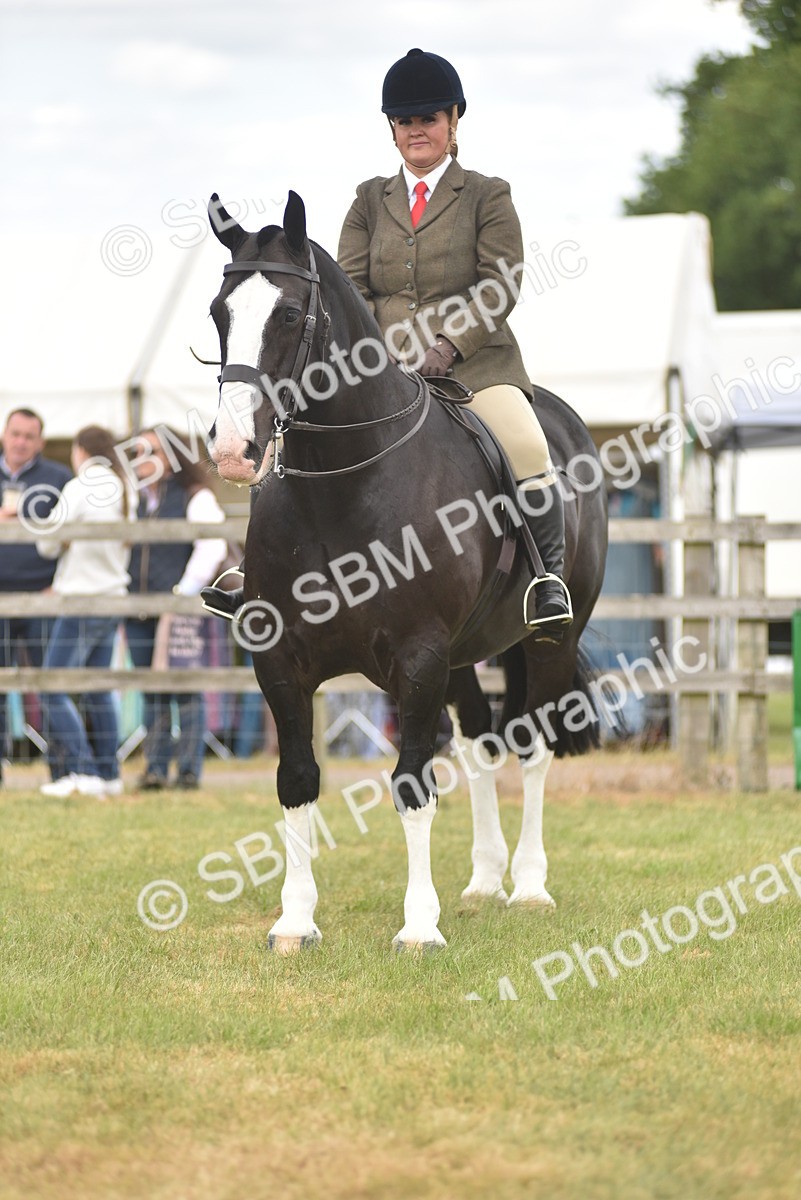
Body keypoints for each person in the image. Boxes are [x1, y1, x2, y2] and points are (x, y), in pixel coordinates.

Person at [202, 49, 572, 641]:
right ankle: (261, 574)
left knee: (528, 447)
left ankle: (546, 579)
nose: (417, 130)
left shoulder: (486, 194)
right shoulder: (369, 200)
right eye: (405, 121)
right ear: (392, 130)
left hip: (474, 366)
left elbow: (501, 283)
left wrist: (448, 344)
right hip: (380, 367)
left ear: (453, 123)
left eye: (429, 118)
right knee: (297, 438)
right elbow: (348, 289)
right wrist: (382, 351)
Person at [36, 425, 136, 797]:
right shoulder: (126, 486)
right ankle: (108, 773)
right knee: (97, 688)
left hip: (82, 599)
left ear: (80, 451)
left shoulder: (78, 487)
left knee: (52, 686)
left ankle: (83, 769)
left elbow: (46, 543)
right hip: (113, 597)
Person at [125, 429, 227, 790]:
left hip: (179, 608)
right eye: (137, 452)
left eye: (151, 451)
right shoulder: (135, 500)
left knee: (184, 689)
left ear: (171, 456)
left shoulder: (193, 496)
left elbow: (212, 547)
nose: (143, 460)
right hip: (137, 610)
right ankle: (154, 769)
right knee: (151, 690)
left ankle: (187, 772)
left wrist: (182, 593)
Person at [0, 408, 71, 784]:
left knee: (50, 686)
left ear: (40, 442)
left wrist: (57, 586)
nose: (21, 442)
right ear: (4, 435)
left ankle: (61, 771)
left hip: (42, 598)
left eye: (29, 436)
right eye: (16, 434)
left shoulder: (59, 479)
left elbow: (74, 540)